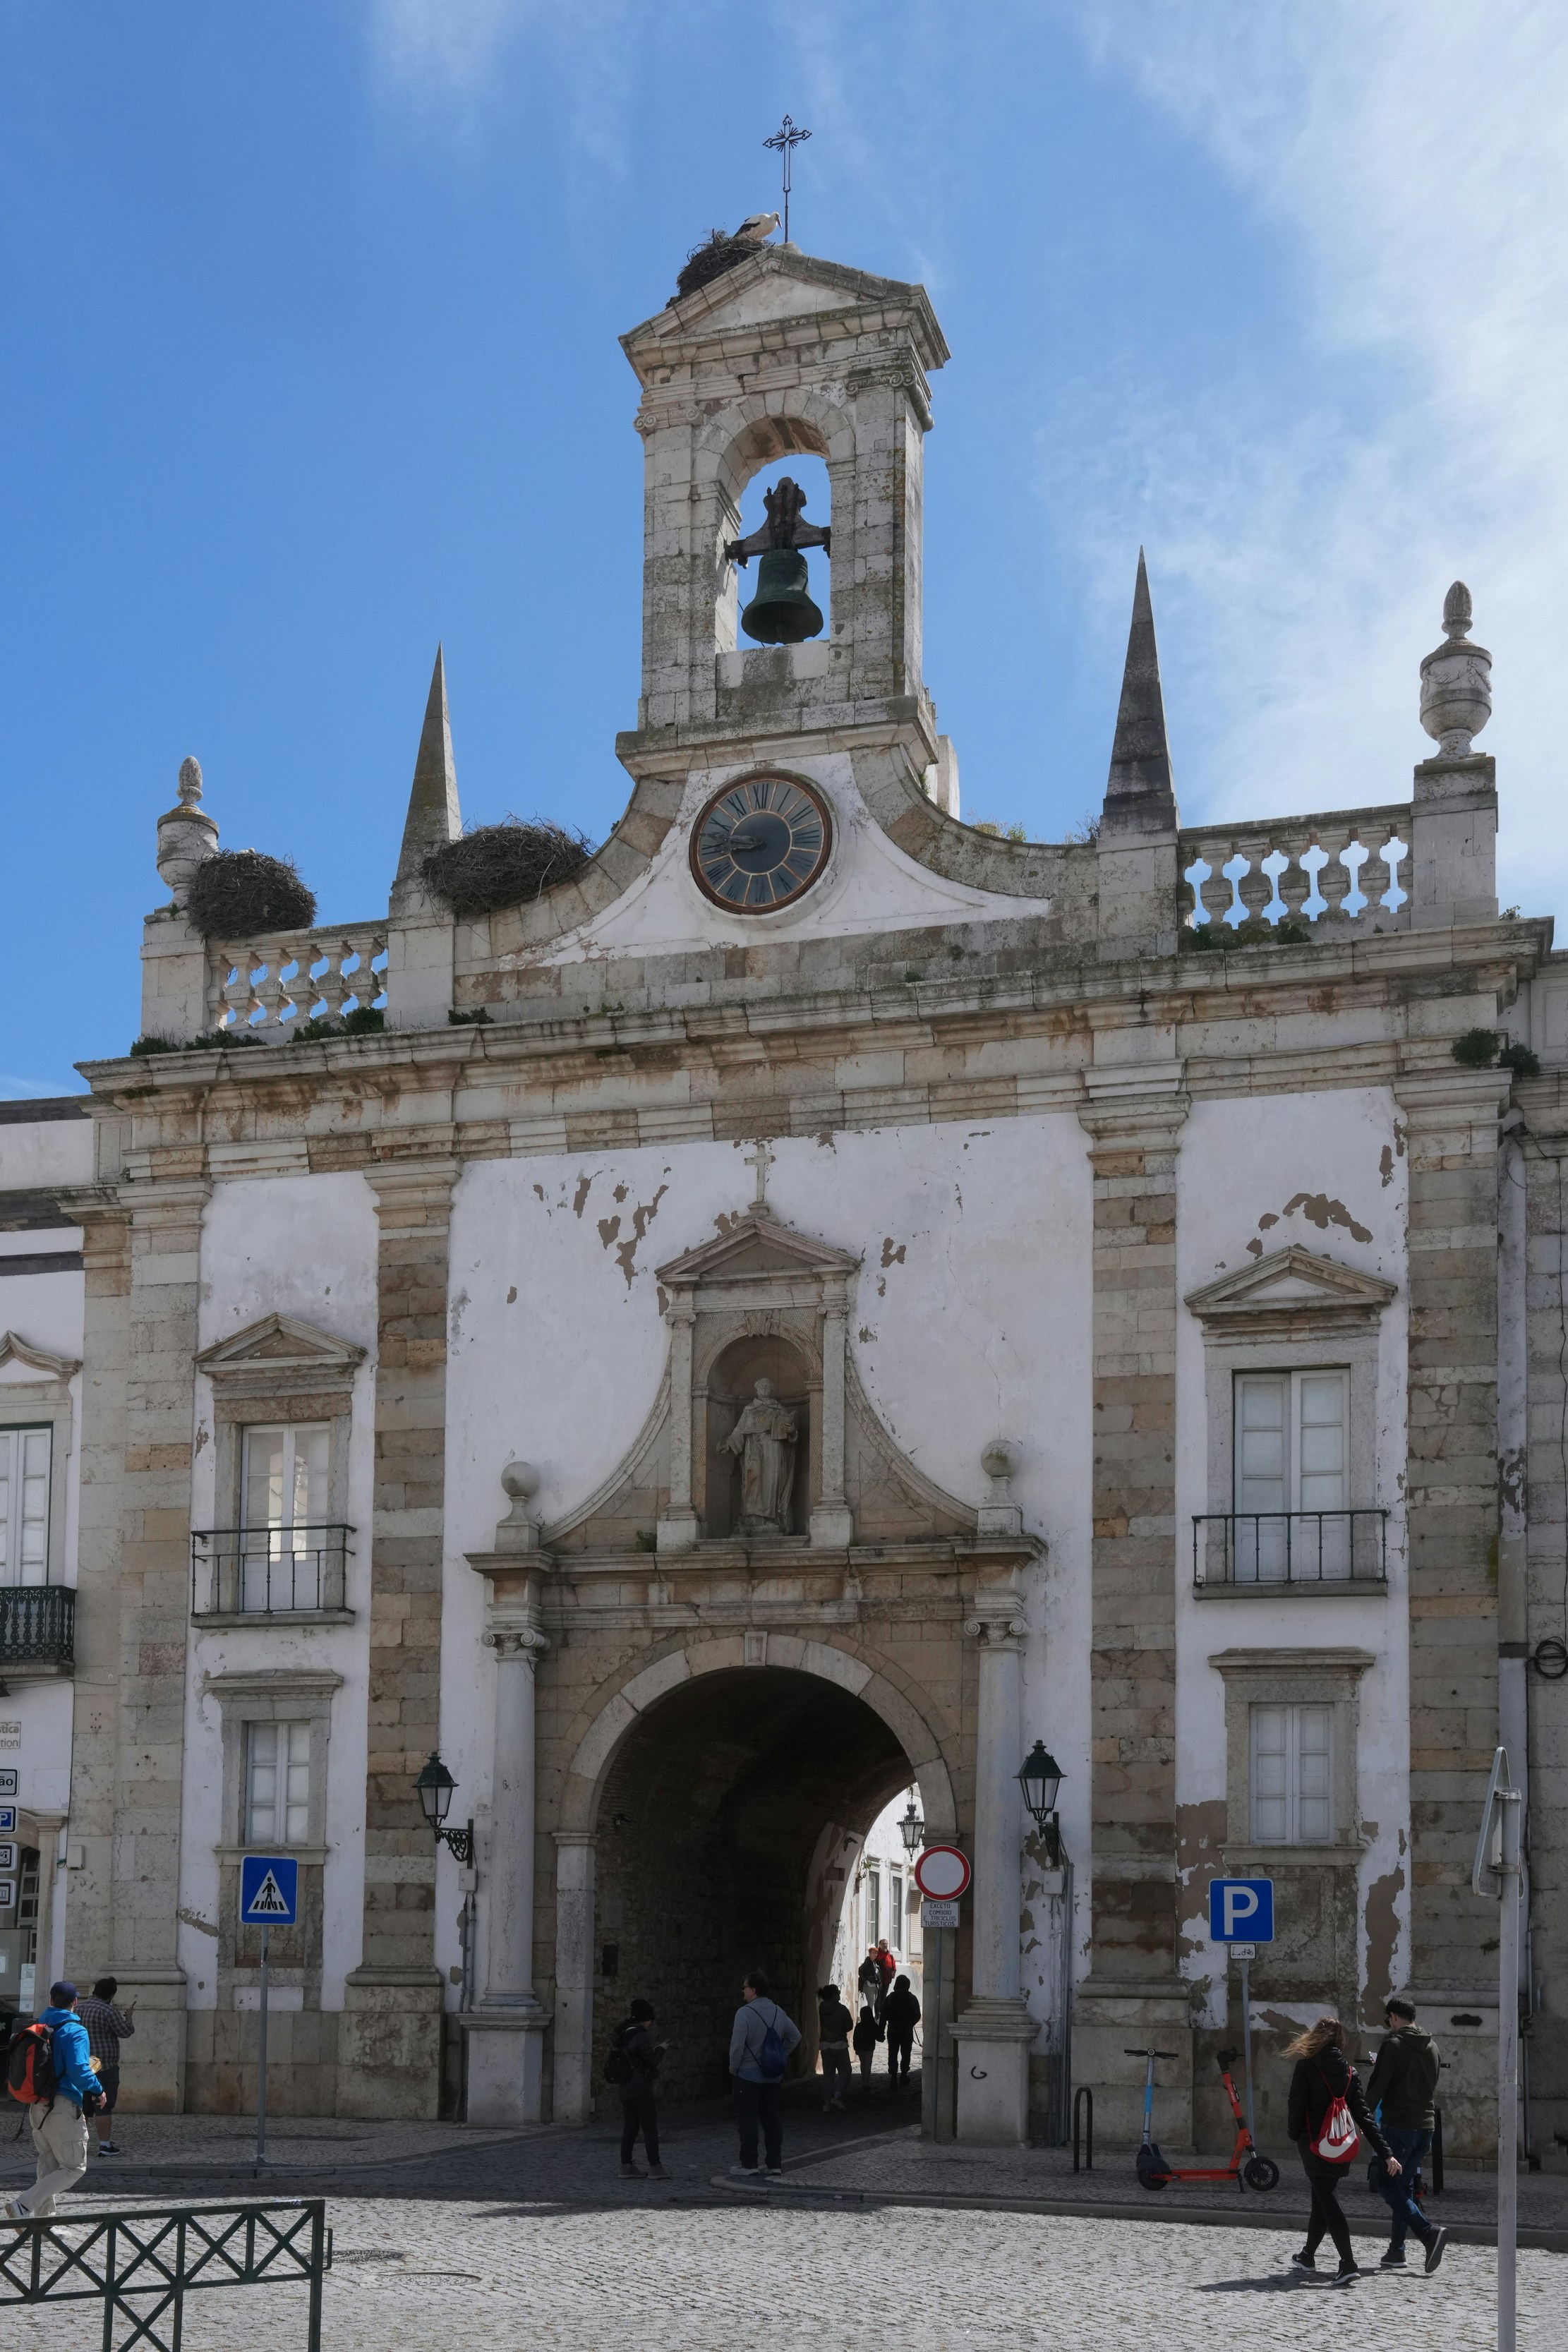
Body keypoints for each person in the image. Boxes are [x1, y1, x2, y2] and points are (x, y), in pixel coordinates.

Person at [1284, 2015, 1396, 2286]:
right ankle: (1307, 2256)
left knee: (1328, 2203)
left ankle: (1348, 2263)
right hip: (1340, 2147)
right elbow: (1365, 2116)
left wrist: (1293, 2134)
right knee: (1321, 2200)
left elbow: (1296, 2106)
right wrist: (1386, 2152)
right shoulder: (1349, 2073)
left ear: (1316, 2038)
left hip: (1313, 2145)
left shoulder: (1306, 2067)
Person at [2, 1980, 103, 2223]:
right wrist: (98, 2090)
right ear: (75, 2003)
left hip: (38, 2105)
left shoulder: (40, 2026)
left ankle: (44, 2224)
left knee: (49, 2162)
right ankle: (22, 2206)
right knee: (73, 2168)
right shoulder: (75, 2030)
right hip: (63, 2106)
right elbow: (79, 2070)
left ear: (50, 2001)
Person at [1364, 1996, 1448, 2273]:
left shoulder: (1394, 2044)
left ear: (1395, 2017)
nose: (1389, 2026)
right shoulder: (1433, 2046)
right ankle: (1396, 2251)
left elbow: (1378, 2086)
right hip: (1425, 2128)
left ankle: (1428, 2232)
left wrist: (1362, 2115)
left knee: (1388, 2187)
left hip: (1398, 2126)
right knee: (1404, 2187)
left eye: (1389, 2020)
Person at [727, 1969, 800, 2181]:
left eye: (745, 1987)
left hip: (748, 2075)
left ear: (754, 1990)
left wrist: (734, 2068)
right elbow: (795, 2036)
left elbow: (737, 2046)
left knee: (748, 2120)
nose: (743, 1991)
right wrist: (781, 2055)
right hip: (772, 2075)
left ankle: (749, 2163)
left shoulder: (745, 2013)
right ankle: (774, 2163)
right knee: (772, 2120)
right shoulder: (778, 2011)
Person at [76, 1977, 135, 2157]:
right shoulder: (108, 2011)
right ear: (111, 1994)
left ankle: (78, 2145)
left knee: (82, 2106)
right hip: (104, 2065)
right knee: (103, 2105)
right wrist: (129, 2018)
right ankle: (104, 2145)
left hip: (82, 2064)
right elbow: (125, 2032)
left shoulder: (78, 2008)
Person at [610, 1996, 668, 2181]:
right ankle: (655, 2167)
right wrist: (661, 2049)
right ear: (647, 2019)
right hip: (640, 2088)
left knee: (630, 2128)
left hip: (626, 2087)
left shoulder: (624, 2035)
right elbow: (650, 2061)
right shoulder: (640, 2035)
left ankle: (625, 2166)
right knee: (650, 2127)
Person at [816, 1982, 854, 2113]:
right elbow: (849, 2026)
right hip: (839, 2045)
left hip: (825, 2045)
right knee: (846, 2071)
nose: (839, 1994)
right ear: (833, 1995)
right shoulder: (842, 2009)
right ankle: (837, 2096)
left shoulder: (822, 2008)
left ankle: (826, 2102)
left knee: (828, 2075)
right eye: (838, 1992)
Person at [882, 1973, 921, 2090]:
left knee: (892, 2054)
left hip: (893, 2031)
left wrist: (880, 2032)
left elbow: (883, 2016)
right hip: (906, 2032)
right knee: (906, 2053)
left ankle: (893, 2076)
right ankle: (904, 2075)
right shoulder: (912, 1998)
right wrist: (910, 2024)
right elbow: (918, 2015)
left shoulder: (890, 1998)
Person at [852, 2001, 883, 2093]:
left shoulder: (859, 2026)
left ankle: (864, 2081)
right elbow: (879, 2038)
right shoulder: (873, 2025)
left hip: (861, 2048)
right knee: (868, 2065)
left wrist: (855, 2048)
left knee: (863, 2064)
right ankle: (866, 2082)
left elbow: (855, 2038)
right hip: (869, 2048)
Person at [874, 1938, 896, 2021]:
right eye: (883, 1944)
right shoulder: (877, 1954)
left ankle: (882, 2014)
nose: (885, 1945)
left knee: (884, 1998)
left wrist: (892, 1974)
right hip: (879, 1981)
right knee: (878, 1998)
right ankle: (878, 2015)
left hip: (887, 1981)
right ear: (880, 1945)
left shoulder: (890, 1955)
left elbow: (894, 1967)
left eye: (886, 1944)